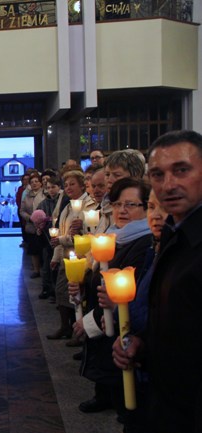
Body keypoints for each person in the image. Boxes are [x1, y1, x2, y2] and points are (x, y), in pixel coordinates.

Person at [113, 130, 202, 433]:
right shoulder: (172, 235)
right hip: (163, 395)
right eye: (157, 174)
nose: (168, 185)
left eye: (182, 170)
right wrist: (144, 344)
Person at [70, 178, 152, 423]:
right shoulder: (114, 236)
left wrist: (89, 322)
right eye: (117, 204)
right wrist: (82, 283)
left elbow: (125, 294)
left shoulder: (143, 242)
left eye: (130, 204)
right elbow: (99, 279)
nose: (122, 210)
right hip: (106, 324)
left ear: (147, 207)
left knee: (130, 405)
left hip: (123, 331)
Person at [47, 170, 96, 340]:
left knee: (77, 295)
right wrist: (56, 256)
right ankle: (66, 327)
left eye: (72, 184)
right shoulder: (68, 206)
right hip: (67, 255)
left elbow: (86, 233)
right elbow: (62, 230)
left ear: (82, 185)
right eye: (66, 185)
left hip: (82, 255)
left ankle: (79, 332)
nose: (68, 188)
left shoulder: (89, 205)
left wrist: (63, 238)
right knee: (62, 292)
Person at [20, 172, 45, 278]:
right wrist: (29, 218)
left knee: (43, 249)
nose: (34, 184)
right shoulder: (27, 196)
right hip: (31, 225)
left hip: (44, 226)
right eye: (32, 182)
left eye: (36, 181)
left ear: (40, 183)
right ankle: (36, 269)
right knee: (34, 249)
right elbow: (22, 210)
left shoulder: (45, 194)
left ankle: (45, 269)